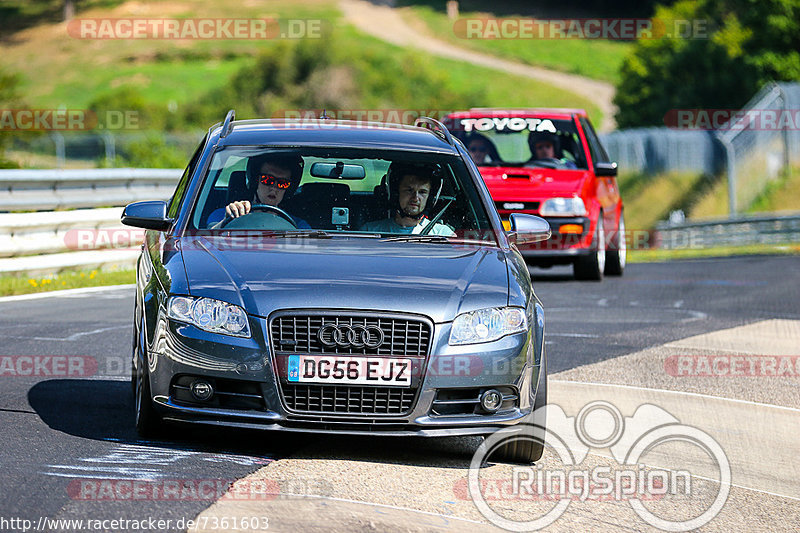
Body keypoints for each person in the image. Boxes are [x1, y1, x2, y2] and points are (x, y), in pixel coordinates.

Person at [207, 153, 311, 229]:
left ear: (288, 189)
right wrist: (227, 221)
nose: (274, 188)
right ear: (255, 181)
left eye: (282, 183)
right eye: (267, 180)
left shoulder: (299, 226)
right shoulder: (223, 214)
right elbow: (206, 240)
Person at [361, 162, 455, 236]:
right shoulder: (370, 232)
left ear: (430, 198)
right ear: (396, 193)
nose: (415, 198)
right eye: (409, 190)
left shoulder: (443, 234)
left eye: (422, 192)